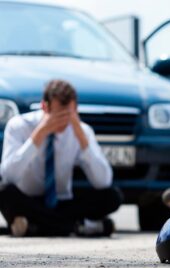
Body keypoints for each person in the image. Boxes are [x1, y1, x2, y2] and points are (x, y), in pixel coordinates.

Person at [0, 79, 123, 237]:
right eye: (59, 115)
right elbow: (8, 176)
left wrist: (81, 137)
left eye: (69, 115)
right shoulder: (19, 125)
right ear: (45, 107)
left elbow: (103, 181)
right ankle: (79, 227)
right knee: (3, 191)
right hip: (28, 200)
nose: (64, 122)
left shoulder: (82, 130)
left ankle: (35, 227)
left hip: (63, 202)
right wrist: (39, 135)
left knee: (112, 196)